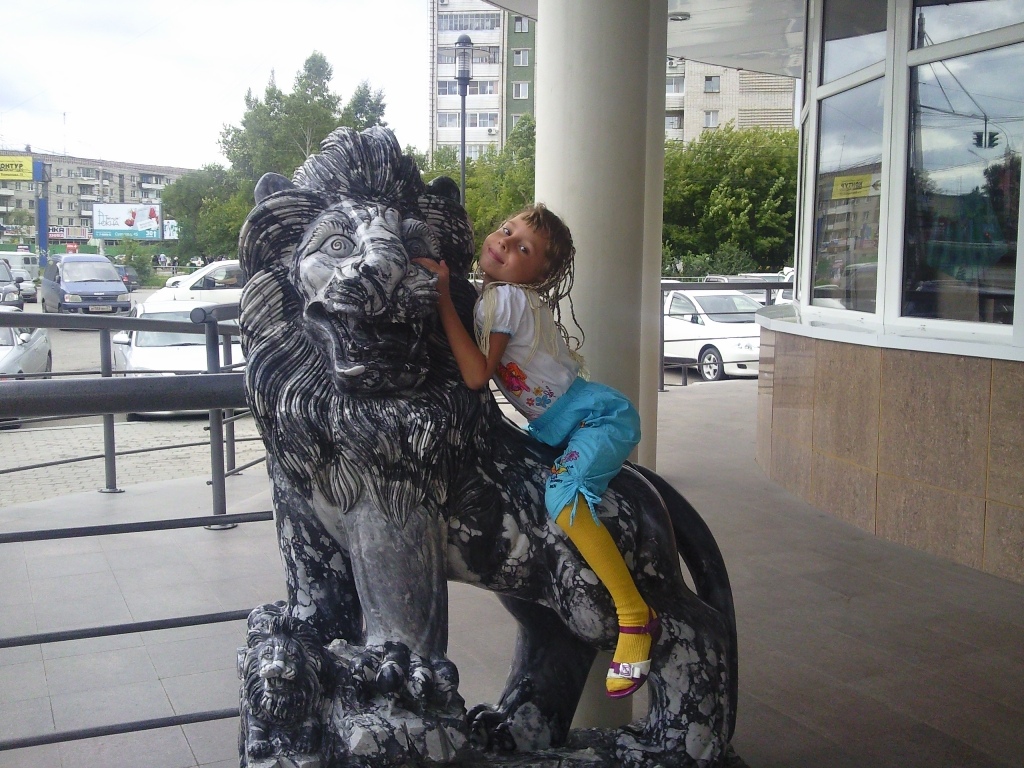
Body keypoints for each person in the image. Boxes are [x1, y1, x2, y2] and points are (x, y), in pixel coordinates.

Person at [415, 204, 658, 698]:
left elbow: (476, 375)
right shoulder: (494, 297)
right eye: (506, 230)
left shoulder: (505, 298)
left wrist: (441, 297)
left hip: (596, 418)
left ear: (539, 275)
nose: (505, 242)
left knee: (563, 500)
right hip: (561, 425)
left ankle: (635, 615)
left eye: (523, 247)